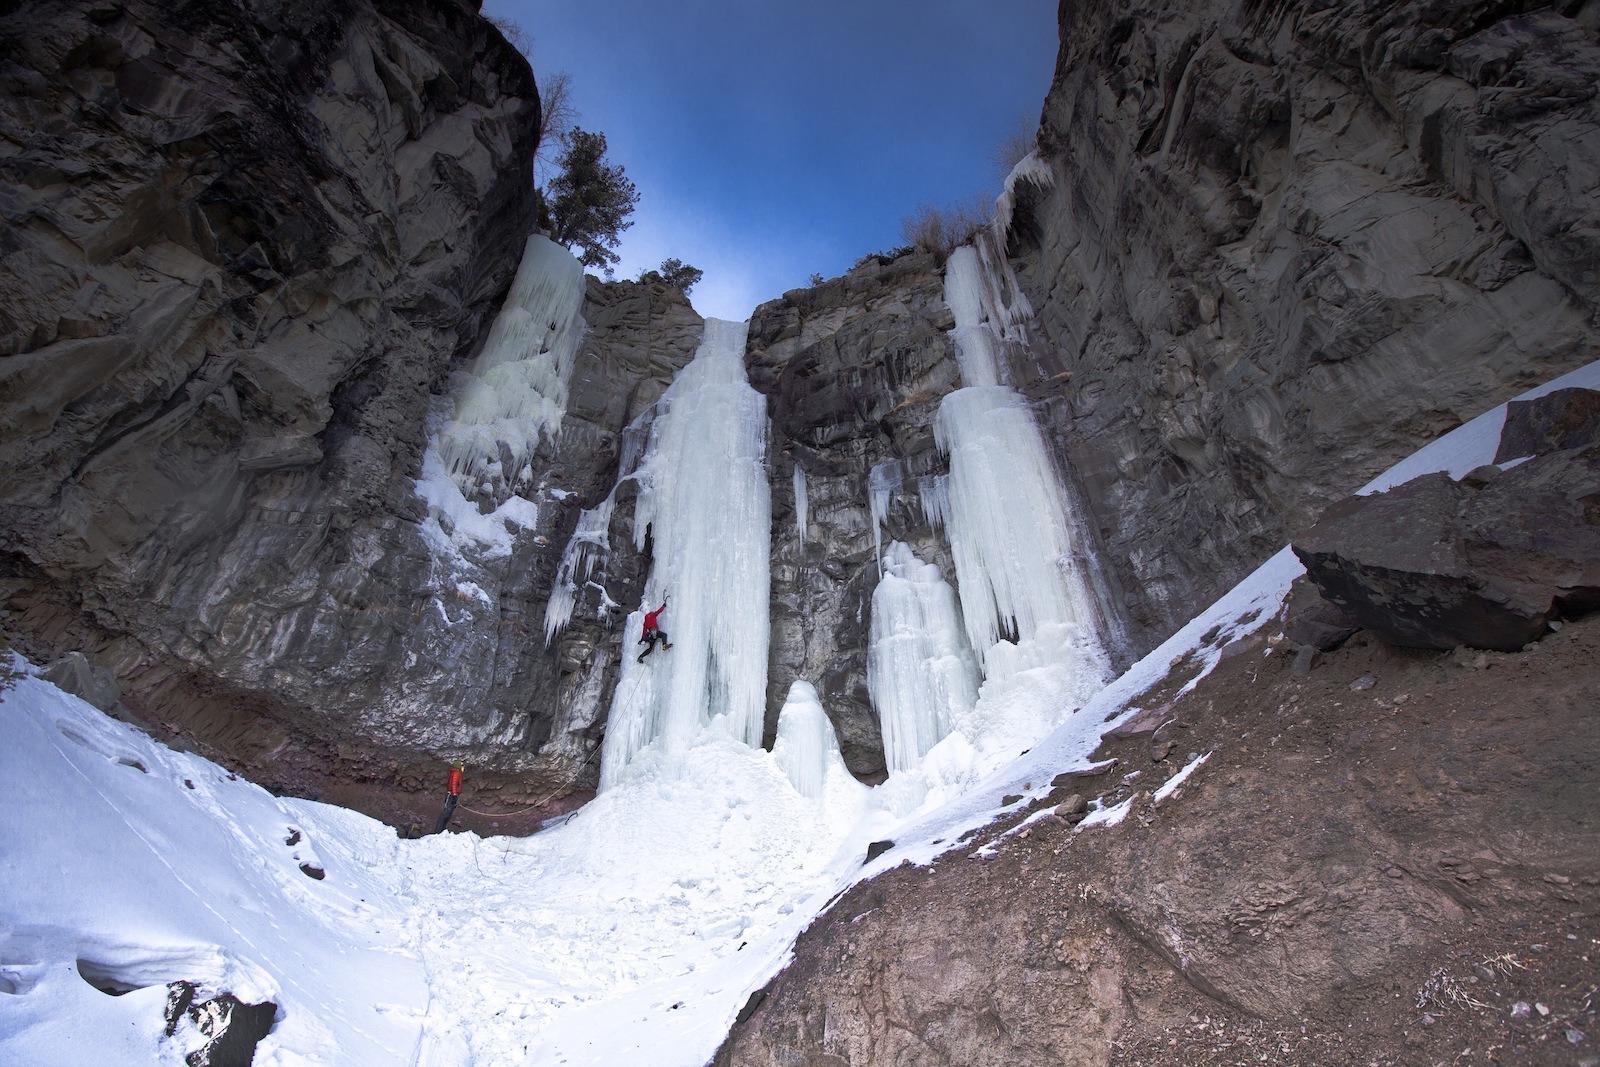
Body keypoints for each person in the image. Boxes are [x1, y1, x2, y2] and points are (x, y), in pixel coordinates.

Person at [433, 759, 464, 834]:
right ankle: (438, 831)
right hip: (451, 795)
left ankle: (442, 830)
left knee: (449, 813)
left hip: (453, 795)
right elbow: (454, 783)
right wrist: (454, 794)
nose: (463, 767)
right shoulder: (456, 773)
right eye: (462, 765)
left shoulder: (457, 772)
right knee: (446, 813)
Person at [636, 597, 672, 662]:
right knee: (664, 635)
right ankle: (664, 645)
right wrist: (663, 606)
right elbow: (659, 611)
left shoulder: (645, 622)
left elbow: (644, 631)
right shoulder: (652, 615)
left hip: (651, 635)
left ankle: (640, 657)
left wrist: (642, 639)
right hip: (655, 631)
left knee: (650, 649)